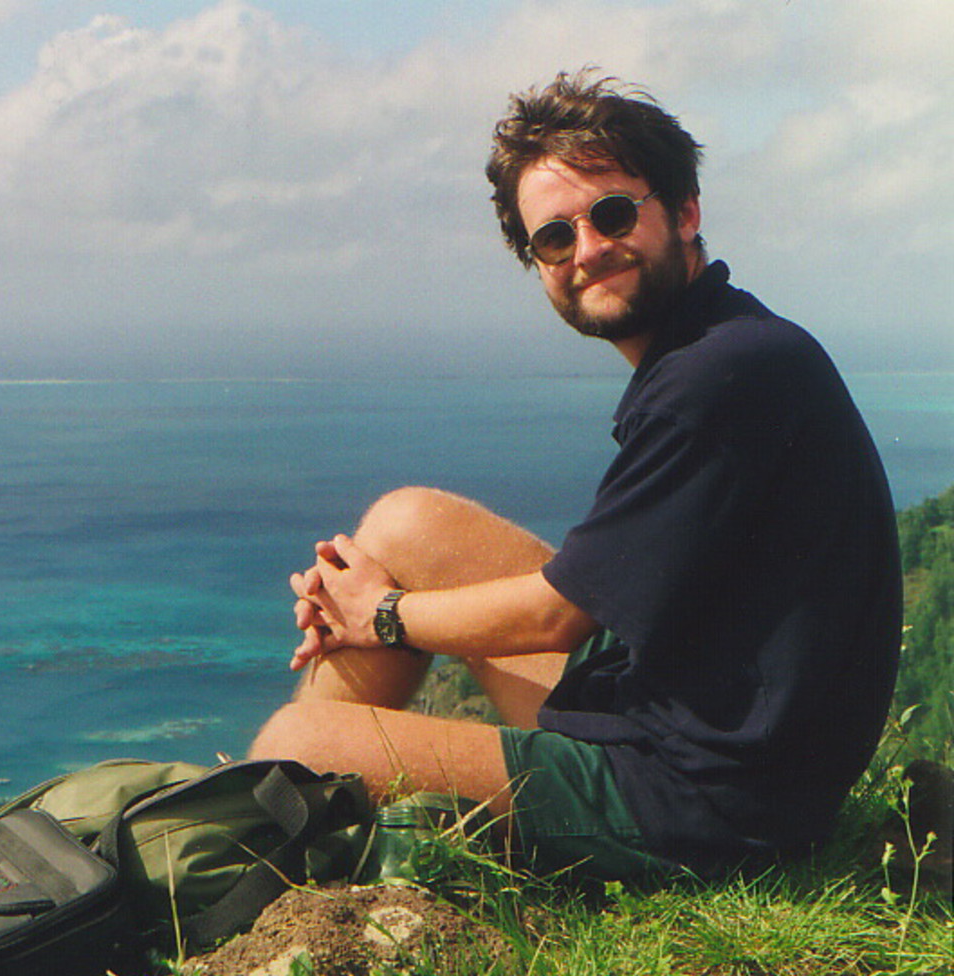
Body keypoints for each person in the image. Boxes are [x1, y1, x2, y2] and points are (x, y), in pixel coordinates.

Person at [249, 71, 902, 879]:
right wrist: (371, 607)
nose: (587, 250)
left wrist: (378, 616)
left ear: (685, 211)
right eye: (554, 238)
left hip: (709, 802)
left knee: (292, 748)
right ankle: (275, 838)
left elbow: (559, 615)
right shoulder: (725, 345)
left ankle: (250, 849)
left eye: (613, 214)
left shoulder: (719, 377)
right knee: (407, 522)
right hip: (684, 711)